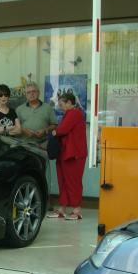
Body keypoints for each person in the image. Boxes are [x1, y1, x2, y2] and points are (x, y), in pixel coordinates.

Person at [46, 92, 87, 221]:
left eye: (62, 104)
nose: (60, 106)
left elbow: (61, 130)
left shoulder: (74, 113)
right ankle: (62, 209)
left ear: (70, 102)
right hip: (65, 153)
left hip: (74, 154)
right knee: (63, 182)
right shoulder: (69, 114)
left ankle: (77, 210)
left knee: (73, 182)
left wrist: (54, 131)